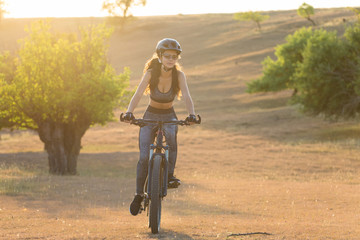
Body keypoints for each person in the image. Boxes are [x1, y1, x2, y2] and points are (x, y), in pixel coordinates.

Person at [122, 38, 197, 216]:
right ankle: (139, 194)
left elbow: (186, 95)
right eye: (167, 56)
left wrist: (192, 114)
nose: (171, 60)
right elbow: (139, 92)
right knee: (143, 157)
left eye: (174, 57)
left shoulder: (179, 75)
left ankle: (169, 176)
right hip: (150, 115)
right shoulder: (151, 73)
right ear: (160, 56)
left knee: (171, 140)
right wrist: (129, 112)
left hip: (169, 115)